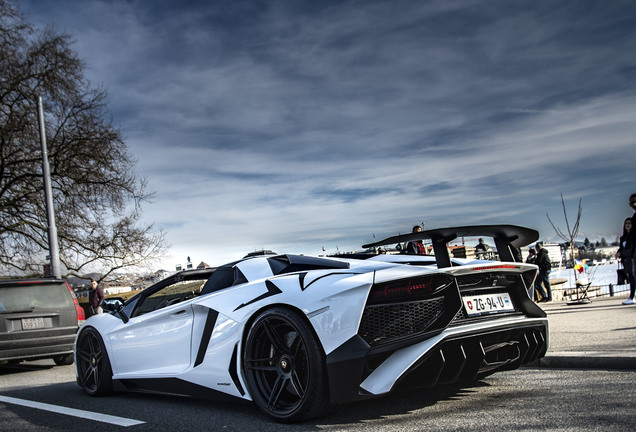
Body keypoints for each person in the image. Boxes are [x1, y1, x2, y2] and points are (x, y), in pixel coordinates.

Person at [616, 217, 636, 305]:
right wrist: (618, 252)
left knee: (633, 278)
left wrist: (621, 253)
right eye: (626, 223)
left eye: (629, 223)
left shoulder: (633, 237)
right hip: (626, 261)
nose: (627, 225)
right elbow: (622, 248)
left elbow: (632, 250)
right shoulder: (623, 238)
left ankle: (631, 297)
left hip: (632, 260)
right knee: (631, 278)